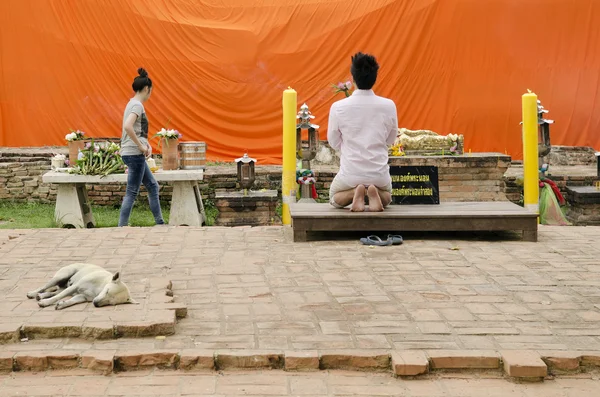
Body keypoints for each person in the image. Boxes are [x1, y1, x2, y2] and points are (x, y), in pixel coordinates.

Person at [327, 52, 398, 212]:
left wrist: (347, 145)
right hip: (378, 173)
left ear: (353, 78)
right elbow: (390, 139)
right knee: (387, 196)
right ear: (375, 78)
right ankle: (373, 191)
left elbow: (333, 141)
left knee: (334, 197)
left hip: (350, 172)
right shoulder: (389, 105)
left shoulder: (338, 107)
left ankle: (355, 192)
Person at [118, 68, 165, 227]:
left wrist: (146, 144)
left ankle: (160, 222)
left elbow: (137, 130)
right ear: (147, 89)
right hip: (134, 153)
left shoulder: (131, 103)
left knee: (153, 186)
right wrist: (140, 146)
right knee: (131, 192)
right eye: (150, 91)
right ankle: (121, 226)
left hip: (131, 151)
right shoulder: (137, 105)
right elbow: (128, 126)